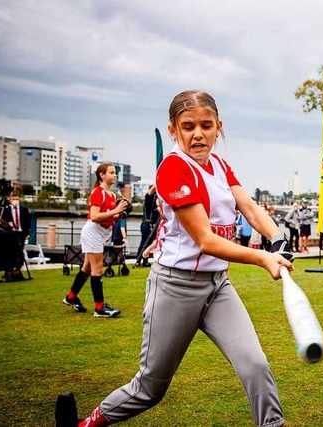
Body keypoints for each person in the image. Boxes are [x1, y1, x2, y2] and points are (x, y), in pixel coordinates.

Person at [56, 89, 293, 427]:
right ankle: (84, 425)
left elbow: (251, 208)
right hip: (175, 288)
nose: (198, 134)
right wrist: (263, 259)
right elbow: (205, 240)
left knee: (255, 364)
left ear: (218, 127)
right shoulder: (172, 169)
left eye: (206, 125)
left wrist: (278, 238)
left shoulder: (222, 166)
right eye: (188, 126)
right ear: (173, 130)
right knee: (150, 388)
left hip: (218, 287)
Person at [61, 162, 128, 318]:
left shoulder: (111, 195)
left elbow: (107, 217)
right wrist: (115, 210)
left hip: (99, 231)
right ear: (102, 175)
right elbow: (95, 216)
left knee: (87, 268)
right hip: (92, 230)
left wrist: (119, 214)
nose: (115, 175)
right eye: (111, 172)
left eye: (115, 172)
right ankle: (99, 308)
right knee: (97, 268)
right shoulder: (98, 192)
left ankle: (71, 296)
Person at [0, 192, 31, 282]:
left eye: (17, 199)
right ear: (10, 200)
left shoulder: (24, 210)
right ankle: (8, 271)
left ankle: (16, 271)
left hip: (21, 232)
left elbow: (28, 222)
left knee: (19, 251)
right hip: (9, 234)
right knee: (9, 251)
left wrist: (26, 232)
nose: (15, 201)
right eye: (13, 199)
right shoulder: (5, 210)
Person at [135, 184, 159, 267]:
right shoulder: (148, 198)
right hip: (146, 223)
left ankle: (145, 261)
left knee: (149, 243)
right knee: (144, 242)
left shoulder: (157, 200)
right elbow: (150, 192)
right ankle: (138, 260)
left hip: (153, 224)